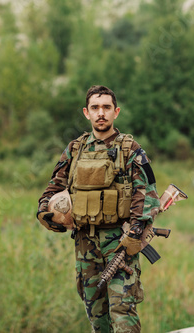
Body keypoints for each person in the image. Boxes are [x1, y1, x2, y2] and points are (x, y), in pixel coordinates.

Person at [37, 85, 161, 332]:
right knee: (96, 315)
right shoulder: (75, 149)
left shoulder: (130, 149)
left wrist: (135, 232)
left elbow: (148, 195)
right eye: (95, 108)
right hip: (85, 244)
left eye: (106, 107)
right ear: (86, 112)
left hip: (120, 241)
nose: (100, 113)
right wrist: (48, 215)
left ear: (116, 112)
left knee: (123, 311)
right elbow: (51, 191)